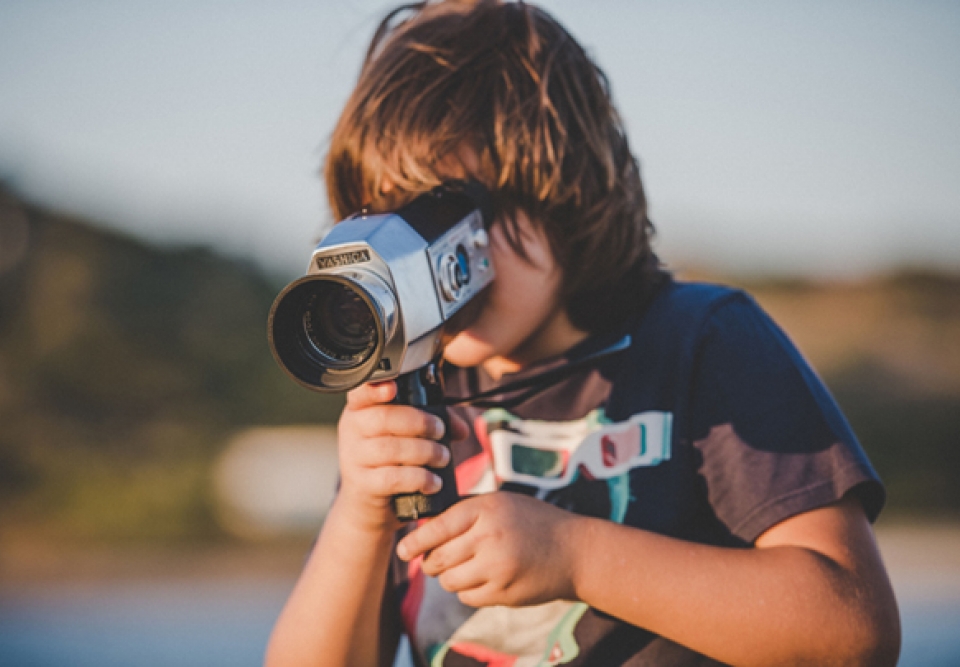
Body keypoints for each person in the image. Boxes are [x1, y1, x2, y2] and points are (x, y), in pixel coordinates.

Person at [266, 1, 901, 665]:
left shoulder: (701, 340)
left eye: (453, 213)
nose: (427, 257)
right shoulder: (414, 392)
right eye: (396, 221)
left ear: (566, 192)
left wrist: (577, 556)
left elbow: (853, 632)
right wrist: (361, 515)